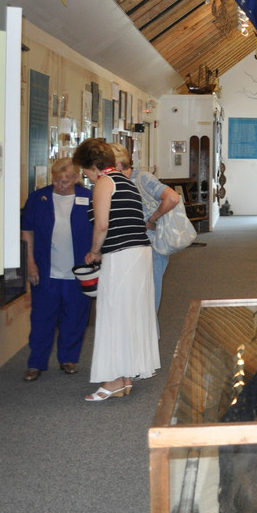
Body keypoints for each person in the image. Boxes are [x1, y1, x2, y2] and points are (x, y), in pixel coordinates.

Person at [72, 138, 160, 402]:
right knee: (130, 314)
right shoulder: (125, 182)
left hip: (122, 256)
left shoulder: (104, 183)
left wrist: (95, 251)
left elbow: (101, 226)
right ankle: (124, 376)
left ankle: (112, 380)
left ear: (92, 165)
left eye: (84, 170)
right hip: (139, 254)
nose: (84, 175)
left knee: (113, 314)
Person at [20, 158, 94, 380]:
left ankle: (68, 358)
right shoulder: (38, 198)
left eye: (65, 181)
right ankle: (36, 363)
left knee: (75, 316)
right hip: (45, 270)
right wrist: (30, 263)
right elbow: (27, 232)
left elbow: (100, 229)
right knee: (42, 318)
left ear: (76, 178)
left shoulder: (89, 199)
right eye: (56, 181)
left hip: (78, 271)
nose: (60, 185)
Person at [110, 143, 181, 311]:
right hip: (128, 247)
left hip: (151, 246)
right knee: (133, 299)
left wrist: (151, 219)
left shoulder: (142, 178)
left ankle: (149, 336)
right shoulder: (113, 182)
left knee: (149, 298)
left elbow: (172, 198)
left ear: (118, 163)